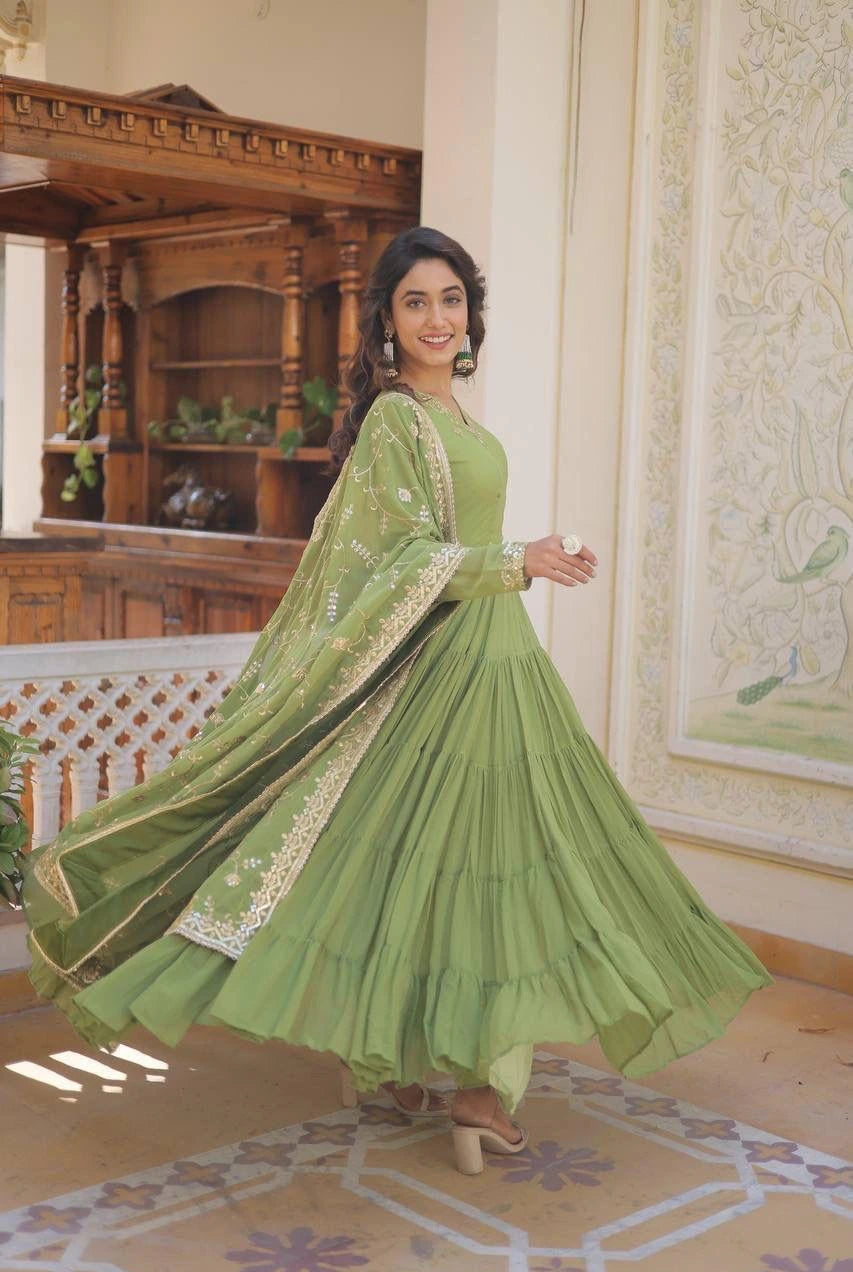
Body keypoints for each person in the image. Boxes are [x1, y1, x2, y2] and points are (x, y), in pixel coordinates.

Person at [22, 226, 772, 1178]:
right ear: (385, 321)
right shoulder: (395, 423)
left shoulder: (459, 422)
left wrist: (526, 555)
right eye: (414, 302)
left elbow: (443, 546)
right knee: (458, 873)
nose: (435, 317)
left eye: (450, 299)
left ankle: (441, 1075)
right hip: (441, 676)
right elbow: (392, 563)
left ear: (471, 315)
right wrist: (515, 560)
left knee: (485, 870)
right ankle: (470, 1089)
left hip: (497, 666)